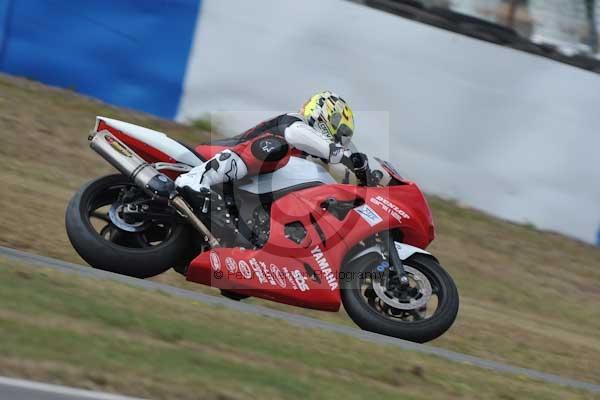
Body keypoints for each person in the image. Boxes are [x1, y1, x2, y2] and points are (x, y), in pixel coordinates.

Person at [175, 91, 356, 197]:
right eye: (341, 132)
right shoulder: (294, 123)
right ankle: (198, 178)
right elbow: (295, 132)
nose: (340, 139)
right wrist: (341, 154)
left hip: (238, 190)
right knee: (278, 148)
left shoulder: (306, 159)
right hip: (215, 154)